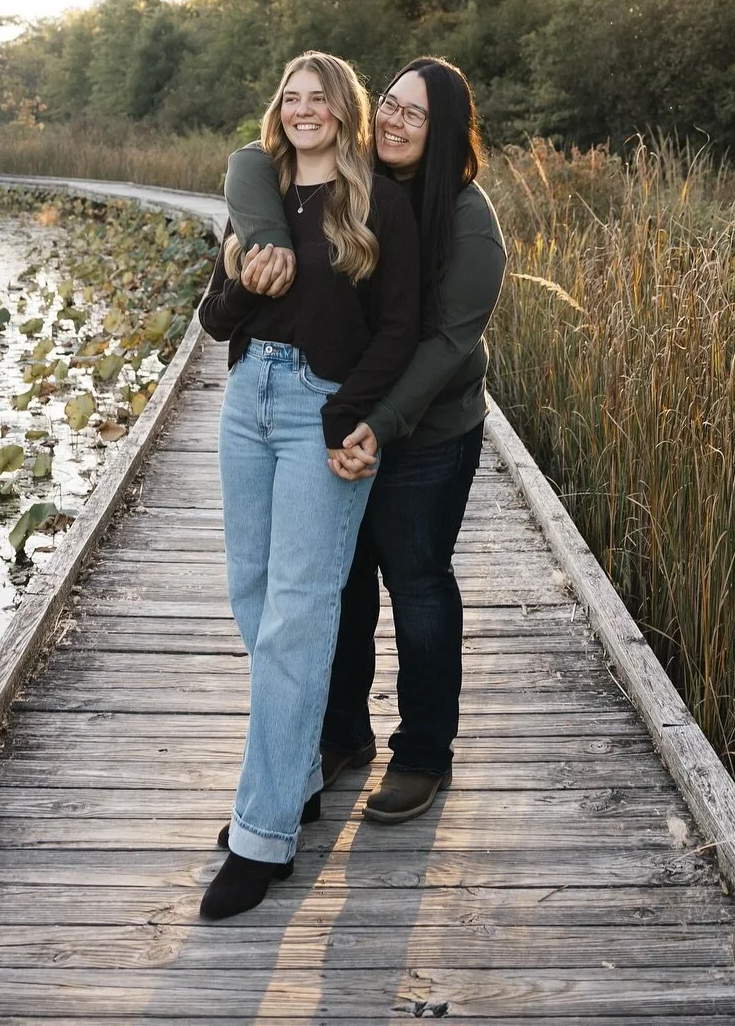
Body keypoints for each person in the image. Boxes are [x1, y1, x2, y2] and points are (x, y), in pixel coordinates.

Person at [224, 56, 505, 823]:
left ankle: (423, 752)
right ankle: (342, 733)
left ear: (444, 130)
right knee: (339, 583)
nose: (394, 119)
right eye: (389, 102)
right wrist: (260, 236)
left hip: (427, 432)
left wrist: (376, 425)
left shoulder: (470, 220)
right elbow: (254, 159)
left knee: (414, 581)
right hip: (344, 414)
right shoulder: (353, 182)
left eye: (414, 113)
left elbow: (445, 344)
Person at [195, 51, 420, 920]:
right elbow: (216, 324)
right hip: (245, 400)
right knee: (253, 599)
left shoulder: (378, 203)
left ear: (345, 110)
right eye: (289, 96)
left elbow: (398, 331)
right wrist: (237, 276)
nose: (302, 109)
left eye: (318, 96)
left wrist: (354, 416)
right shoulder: (260, 195)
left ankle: (261, 835)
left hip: (319, 412)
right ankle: (291, 779)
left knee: (297, 610)